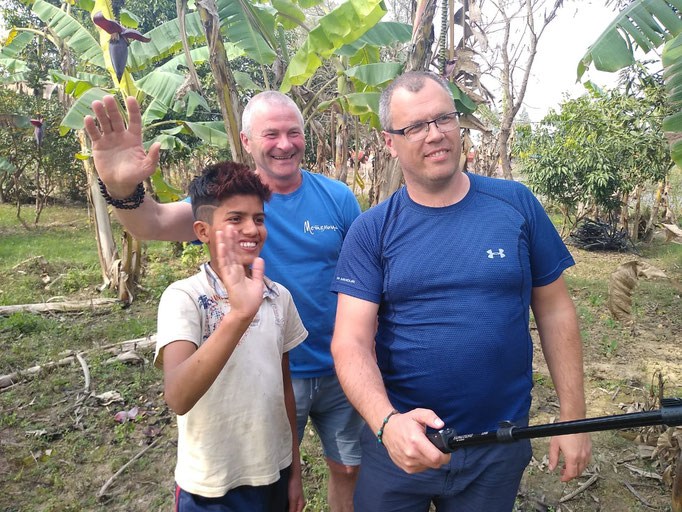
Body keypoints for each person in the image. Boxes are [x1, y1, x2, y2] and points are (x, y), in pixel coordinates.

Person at [83, 91, 364, 511]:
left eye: (294, 132)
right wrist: (122, 187)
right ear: (246, 140)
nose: (285, 144)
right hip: (267, 372)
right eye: (271, 134)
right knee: (261, 468)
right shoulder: (228, 202)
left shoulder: (337, 198)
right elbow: (152, 222)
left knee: (346, 467)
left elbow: (361, 276)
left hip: (338, 365)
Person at [330, 70, 592, 511]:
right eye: (415, 126)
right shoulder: (372, 230)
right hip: (401, 441)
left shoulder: (516, 205)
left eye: (443, 118)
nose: (435, 134)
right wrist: (386, 423)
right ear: (389, 142)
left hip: (497, 442)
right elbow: (350, 341)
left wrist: (573, 417)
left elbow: (555, 310)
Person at [155, 161, 307, 511]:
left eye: (259, 218)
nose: (252, 229)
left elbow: (284, 388)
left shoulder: (278, 296)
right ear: (203, 231)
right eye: (235, 219)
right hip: (212, 486)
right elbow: (178, 397)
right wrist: (238, 316)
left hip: (275, 471)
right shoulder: (185, 297)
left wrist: (294, 470)